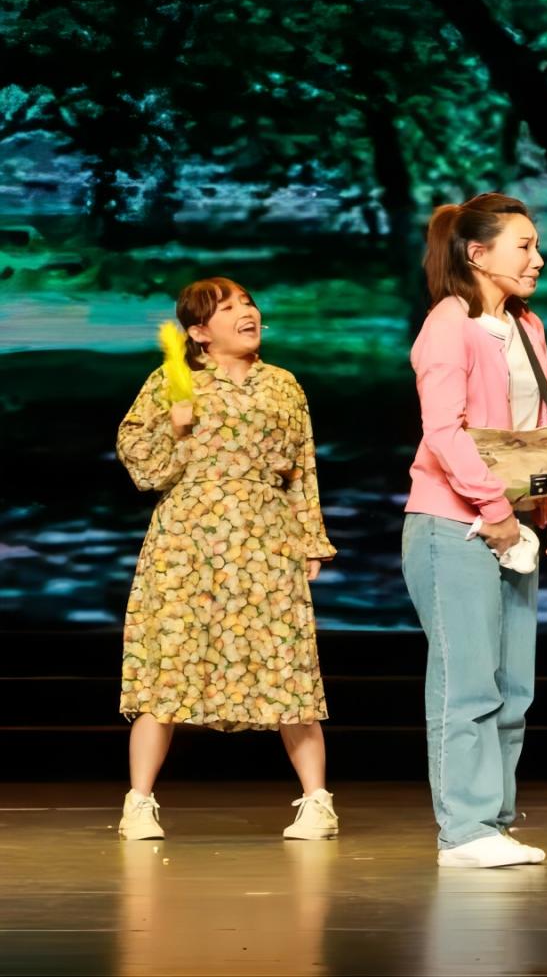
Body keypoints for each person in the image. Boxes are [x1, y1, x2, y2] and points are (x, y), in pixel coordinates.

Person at [115, 277, 339, 841]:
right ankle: (139, 803)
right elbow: (141, 462)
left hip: (266, 536)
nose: (247, 311)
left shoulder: (283, 384)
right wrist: (175, 427)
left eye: (248, 302)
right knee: (168, 663)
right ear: (199, 332)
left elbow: (302, 467)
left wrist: (311, 538)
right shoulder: (172, 380)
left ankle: (317, 801)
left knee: (287, 663)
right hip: (186, 541)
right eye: (229, 307)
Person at [402, 193, 547, 868]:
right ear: (477, 254)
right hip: (454, 525)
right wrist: (496, 513)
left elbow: (535, 427)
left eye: (537, 246)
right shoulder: (448, 325)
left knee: (513, 687)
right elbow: (443, 432)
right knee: (468, 681)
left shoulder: (527, 325)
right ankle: (464, 829)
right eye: (524, 246)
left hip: (510, 522)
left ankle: (494, 822)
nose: (538, 259)